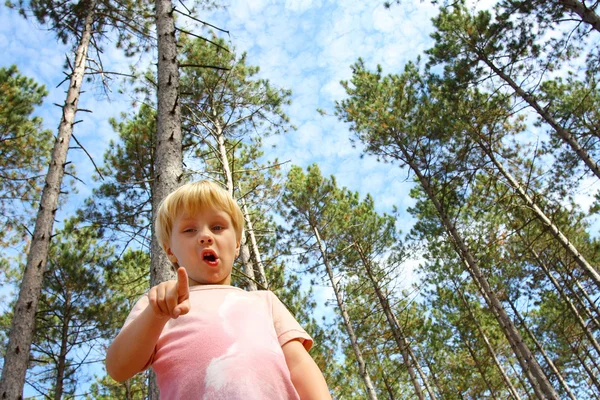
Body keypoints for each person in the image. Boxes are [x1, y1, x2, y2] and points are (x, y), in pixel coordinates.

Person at [106, 180, 331, 399]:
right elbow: (119, 368)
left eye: (217, 227)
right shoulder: (160, 303)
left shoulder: (264, 302)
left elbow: (300, 365)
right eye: (189, 230)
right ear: (170, 251)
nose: (205, 236)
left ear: (235, 245)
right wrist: (155, 315)